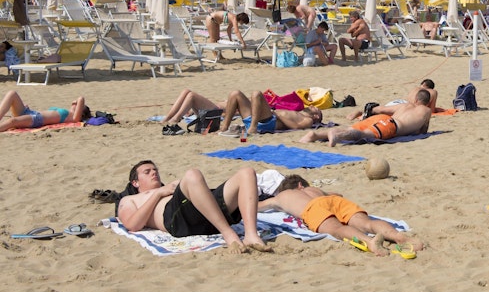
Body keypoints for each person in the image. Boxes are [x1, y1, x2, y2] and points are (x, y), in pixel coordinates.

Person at [116, 160, 271, 253]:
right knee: (192, 174)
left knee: (247, 173)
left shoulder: (171, 187)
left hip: (207, 215)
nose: (154, 173)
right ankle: (228, 233)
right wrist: (158, 194)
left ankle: (251, 235)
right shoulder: (130, 199)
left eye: (155, 170)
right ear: (135, 182)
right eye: (147, 172)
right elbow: (132, 224)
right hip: (179, 220)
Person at [259, 175, 422, 256]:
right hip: (333, 200)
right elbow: (339, 194)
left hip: (312, 208)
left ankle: (370, 242)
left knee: (337, 228)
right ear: (302, 184)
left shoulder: (282, 196)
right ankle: (399, 237)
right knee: (366, 223)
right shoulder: (315, 190)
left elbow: (256, 207)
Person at [299, 90, 433, 146]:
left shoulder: (405, 105)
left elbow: (381, 109)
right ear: (427, 102)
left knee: (351, 129)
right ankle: (336, 135)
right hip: (392, 126)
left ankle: (315, 135)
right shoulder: (426, 111)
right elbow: (422, 131)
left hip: (381, 118)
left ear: (416, 98)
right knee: (361, 134)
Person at [218, 90, 324, 136]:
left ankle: (253, 127)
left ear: (316, 116)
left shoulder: (308, 120)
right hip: (262, 117)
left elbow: (296, 126)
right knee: (235, 94)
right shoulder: (297, 112)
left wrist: (277, 114)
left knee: (257, 94)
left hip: (269, 121)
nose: (311, 106)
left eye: (315, 108)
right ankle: (224, 127)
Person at [0, 91, 90, 132]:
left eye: (78, 105)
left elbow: (81, 98)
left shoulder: (72, 117)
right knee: (12, 94)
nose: (74, 103)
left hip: (36, 119)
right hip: (31, 113)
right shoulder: (67, 112)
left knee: (12, 122)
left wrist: (78, 101)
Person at [347, 79, 439, 118]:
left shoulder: (415, 88)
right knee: (385, 116)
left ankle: (362, 113)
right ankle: (361, 113)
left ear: (422, 84)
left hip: (399, 101)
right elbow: (432, 110)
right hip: (406, 106)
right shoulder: (433, 92)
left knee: (380, 110)